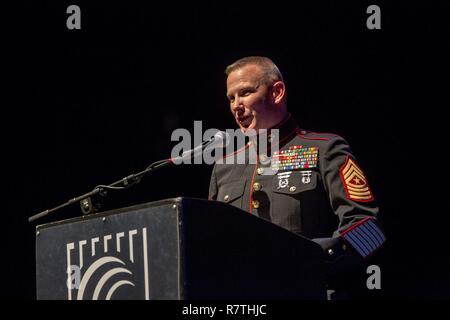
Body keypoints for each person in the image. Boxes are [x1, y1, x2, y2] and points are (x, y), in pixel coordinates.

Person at [208, 56, 386, 299]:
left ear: (277, 92)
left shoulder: (325, 149)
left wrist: (309, 259)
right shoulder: (224, 167)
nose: (236, 105)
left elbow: (369, 230)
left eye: (245, 92)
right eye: (231, 98)